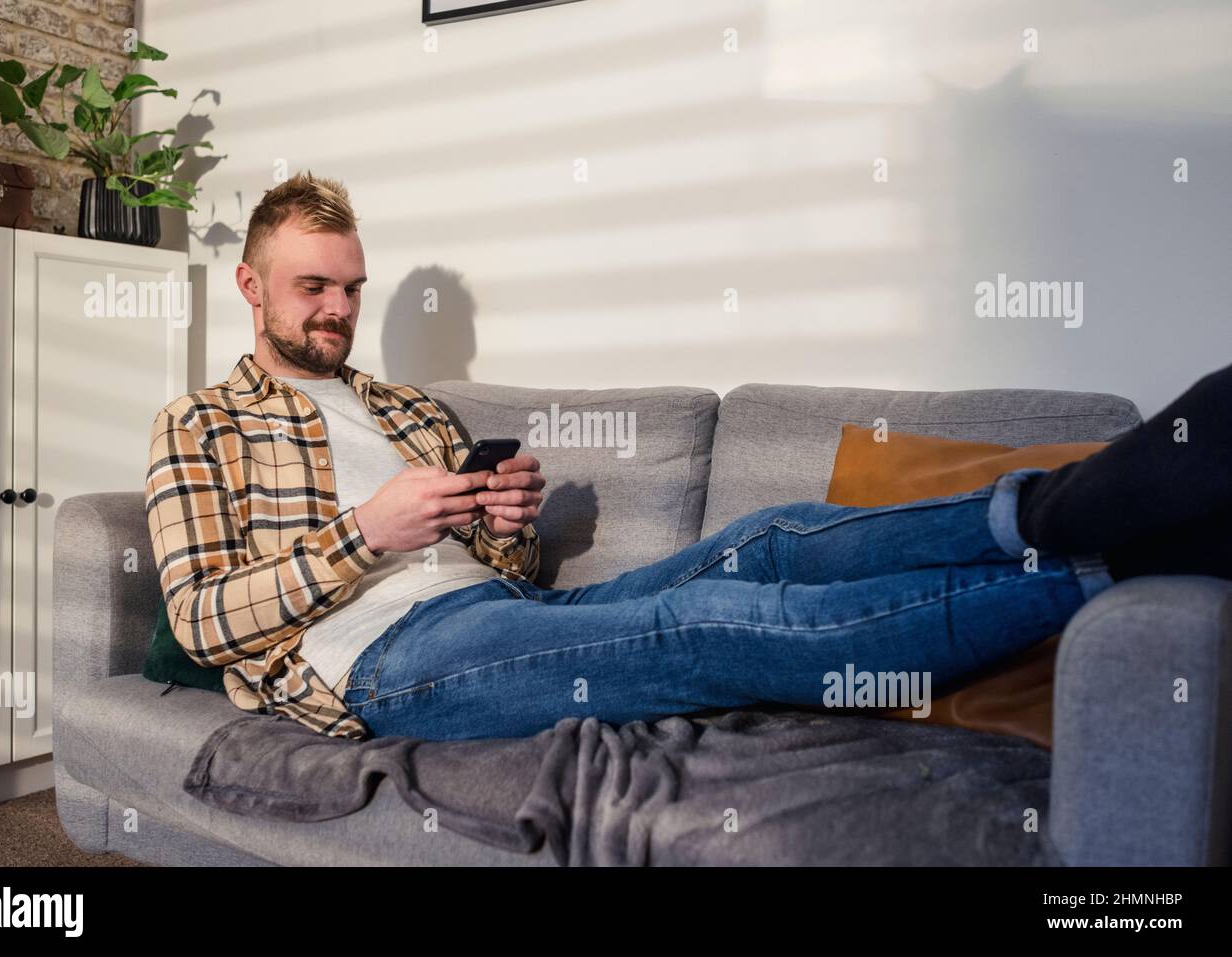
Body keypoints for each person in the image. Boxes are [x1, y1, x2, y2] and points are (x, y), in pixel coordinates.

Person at [145, 171, 1230, 744]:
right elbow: (198, 620)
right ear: (252, 287)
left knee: (762, 540)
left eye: (350, 288)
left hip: (501, 617)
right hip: (379, 666)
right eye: (311, 289)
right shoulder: (197, 424)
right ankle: (1108, 569)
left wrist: (502, 529)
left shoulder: (407, 408)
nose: (336, 311)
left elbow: (504, 583)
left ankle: (1049, 513)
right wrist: (363, 532)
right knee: (703, 629)